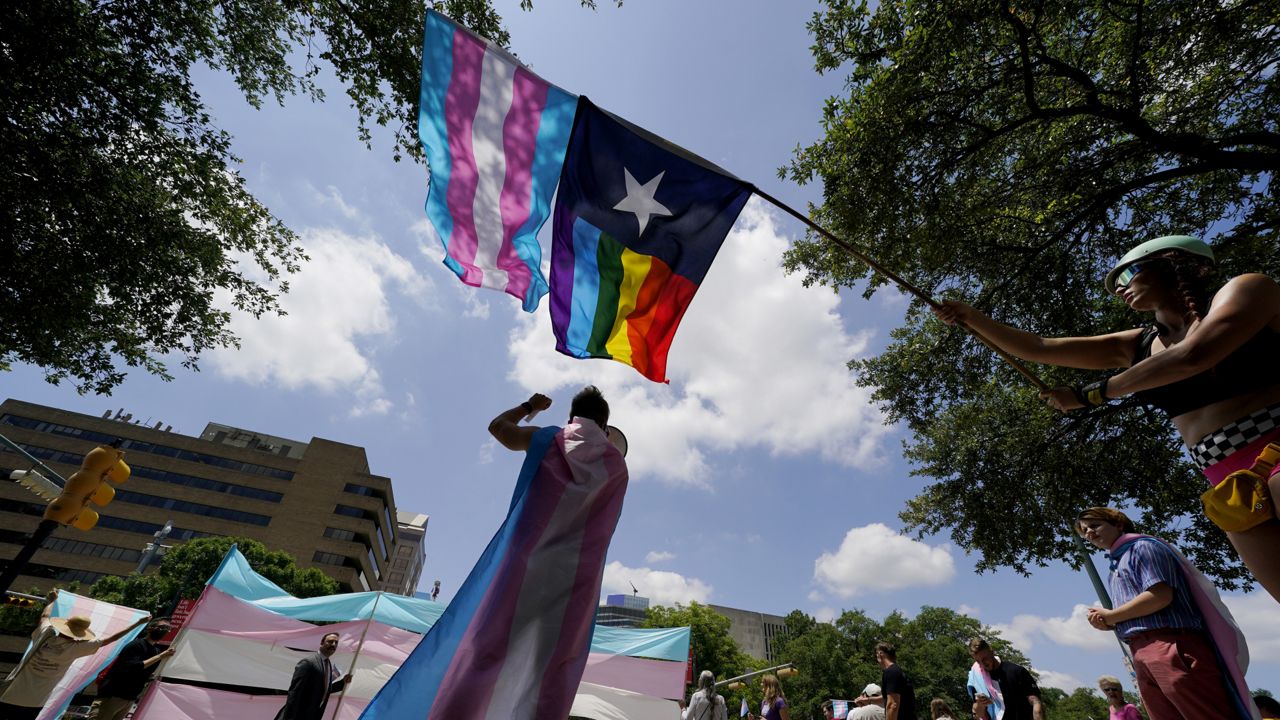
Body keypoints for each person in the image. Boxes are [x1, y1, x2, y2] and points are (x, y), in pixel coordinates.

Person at [933, 235, 1280, 602]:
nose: (1119, 288)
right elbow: (1039, 348)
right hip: (1225, 481)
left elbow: (1195, 354)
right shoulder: (1137, 345)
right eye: (1114, 284)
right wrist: (972, 317)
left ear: (1173, 262)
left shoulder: (1249, 288)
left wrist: (1092, 393)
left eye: (1127, 273)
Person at [1077, 507, 1254, 720]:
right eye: (1084, 530)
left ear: (1119, 524)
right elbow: (1142, 609)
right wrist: (1110, 623)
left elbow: (1160, 596)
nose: (1089, 533)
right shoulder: (1115, 566)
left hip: (1171, 645)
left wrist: (1112, 616)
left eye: (1095, 525)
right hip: (1140, 651)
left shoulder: (1142, 547)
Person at [0, 591, 149, 720]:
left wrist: (53, 601)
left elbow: (44, 616)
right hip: (36, 701)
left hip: (10, 694)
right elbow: (110, 639)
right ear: (81, 634)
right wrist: (136, 624)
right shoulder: (77, 648)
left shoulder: (46, 634)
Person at [89, 617, 176, 720]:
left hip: (129, 699)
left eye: (167, 628)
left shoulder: (155, 651)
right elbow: (134, 667)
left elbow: (146, 672)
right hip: (112, 696)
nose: (164, 631)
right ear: (150, 628)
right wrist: (161, 656)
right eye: (161, 627)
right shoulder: (136, 645)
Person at [274, 632, 352, 720]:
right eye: (330, 641)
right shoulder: (308, 662)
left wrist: (342, 683)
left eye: (336, 643)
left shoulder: (328, 665)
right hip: (296, 716)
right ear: (321, 643)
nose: (333, 644)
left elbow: (323, 690)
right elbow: (294, 693)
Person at [966, 638, 1044, 720]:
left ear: (992, 652)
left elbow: (1036, 704)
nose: (982, 664)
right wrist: (981, 704)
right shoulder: (977, 677)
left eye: (984, 659)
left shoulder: (1016, 672)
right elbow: (978, 715)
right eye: (978, 661)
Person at [875, 643, 918, 720]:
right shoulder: (897, 671)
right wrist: (868, 700)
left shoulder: (891, 672)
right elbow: (889, 697)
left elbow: (892, 704)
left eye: (876, 654)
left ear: (880, 654)